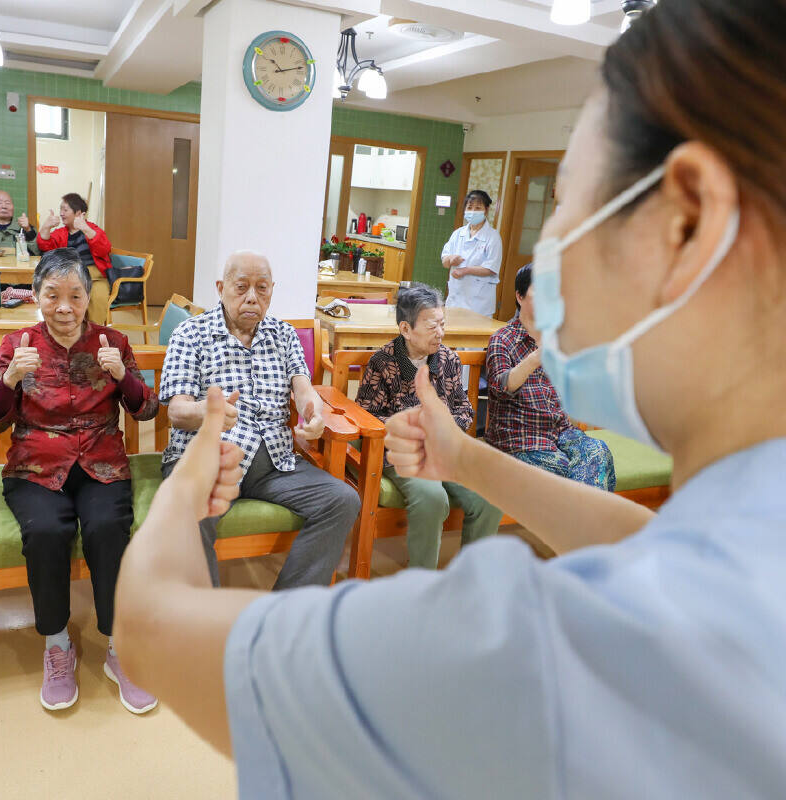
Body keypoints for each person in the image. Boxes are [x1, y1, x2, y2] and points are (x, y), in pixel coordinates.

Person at [112, 1, 786, 796]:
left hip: (243, 468)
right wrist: (467, 458)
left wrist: (188, 482)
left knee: (330, 501)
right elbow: (648, 542)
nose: (549, 245)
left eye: (567, 197)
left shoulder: (529, 647)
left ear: (686, 223)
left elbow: (150, 621)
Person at [0, 248, 159, 715]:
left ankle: (121, 648)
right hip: (37, 463)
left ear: (87, 297)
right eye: (52, 294)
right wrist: (10, 381)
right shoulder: (18, 342)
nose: (64, 306)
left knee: (106, 528)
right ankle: (57, 645)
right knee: (46, 530)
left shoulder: (113, 342)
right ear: (36, 295)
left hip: (102, 462)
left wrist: (125, 379)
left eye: (75, 295)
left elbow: (146, 410)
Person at [159, 250, 359, 589]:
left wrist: (314, 410)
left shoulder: (283, 335)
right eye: (241, 287)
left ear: (271, 290)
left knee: (342, 500)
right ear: (221, 288)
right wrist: (207, 413)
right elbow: (177, 413)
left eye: (262, 288)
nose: (252, 297)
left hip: (274, 464)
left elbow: (303, 387)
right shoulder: (190, 334)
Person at [355, 284, 502, 568]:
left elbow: (463, 408)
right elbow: (367, 416)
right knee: (432, 497)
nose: (440, 332)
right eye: (432, 325)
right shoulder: (383, 362)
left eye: (442, 324)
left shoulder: (448, 359)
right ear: (406, 329)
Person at [487, 263, 616, 490]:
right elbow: (500, 387)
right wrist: (536, 358)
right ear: (519, 296)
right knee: (574, 471)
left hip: (561, 433)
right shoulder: (503, 339)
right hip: (522, 440)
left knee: (598, 451)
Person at [36, 193, 112, 324]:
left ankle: (93, 332)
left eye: (65, 210)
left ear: (78, 213)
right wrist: (46, 226)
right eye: (60, 209)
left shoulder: (92, 228)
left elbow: (104, 249)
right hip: (69, 276)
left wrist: (85, 228)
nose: (61, 213)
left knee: (98, 297)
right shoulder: (61, 233)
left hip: (96, 277)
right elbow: (45, 245)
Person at [441, 189, 503, 317]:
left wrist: (465, 270)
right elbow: (445, 260)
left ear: (486, 210)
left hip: (479, 304)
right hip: (455, 299)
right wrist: (450, 259)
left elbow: (491, 268)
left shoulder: (493, 237)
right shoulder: (458, 234)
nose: (473, 212)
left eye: (478, 208)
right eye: (469, 207)